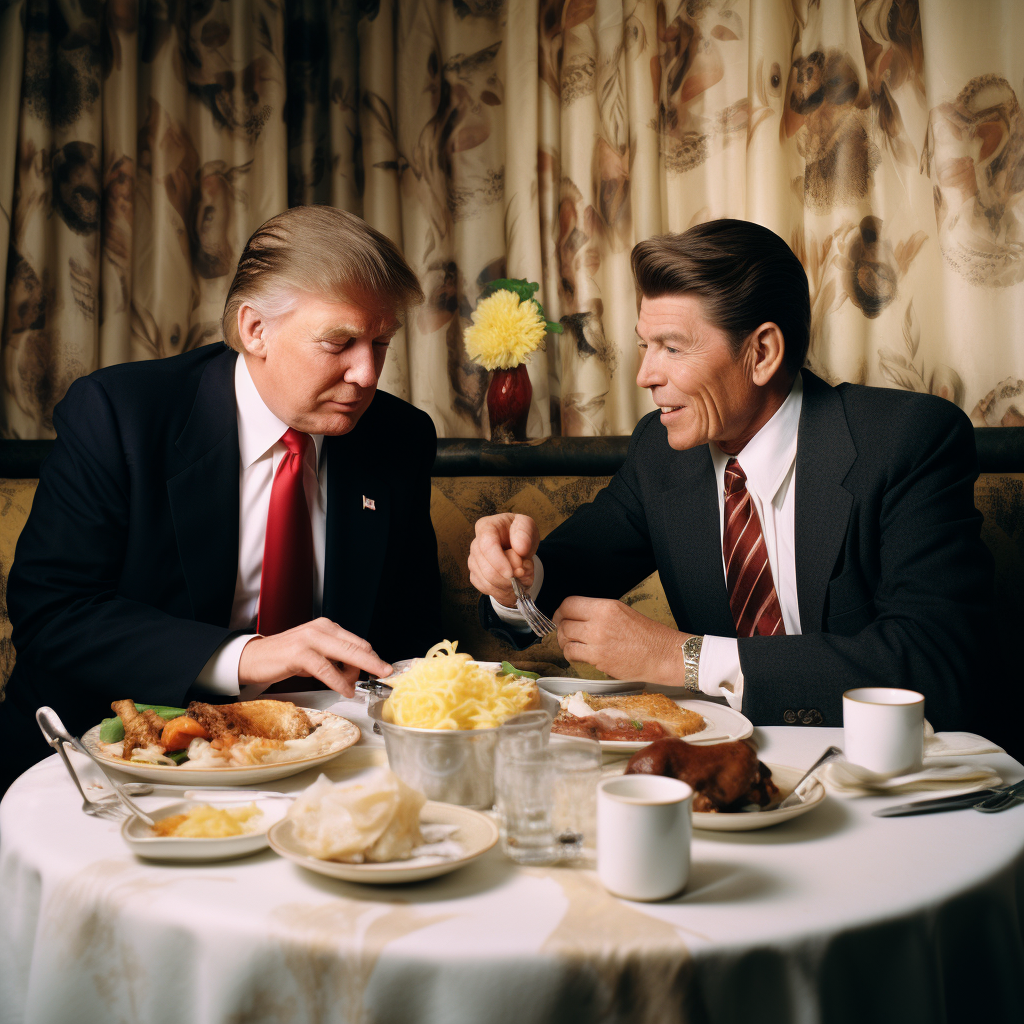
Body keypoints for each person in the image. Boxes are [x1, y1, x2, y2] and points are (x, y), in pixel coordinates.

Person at [470, 220, 993, 731]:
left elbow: (935, 668)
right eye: (645, 345)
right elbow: (561, 572)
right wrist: (512, 575)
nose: (645, 375)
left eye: (673, 348)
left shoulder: (907, 439)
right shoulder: (662, 450)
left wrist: (684, 659)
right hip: (727, 774)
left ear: (761, 353)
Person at [1, 206, 442, 789]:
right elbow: (52, 612)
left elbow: (411, 629)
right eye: (340, 342)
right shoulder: (119, 414)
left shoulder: (398, 436)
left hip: (322, 760)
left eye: (381, 342)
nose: (366, 373)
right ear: (254, 329)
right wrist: (241, 656)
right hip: (109, 759)